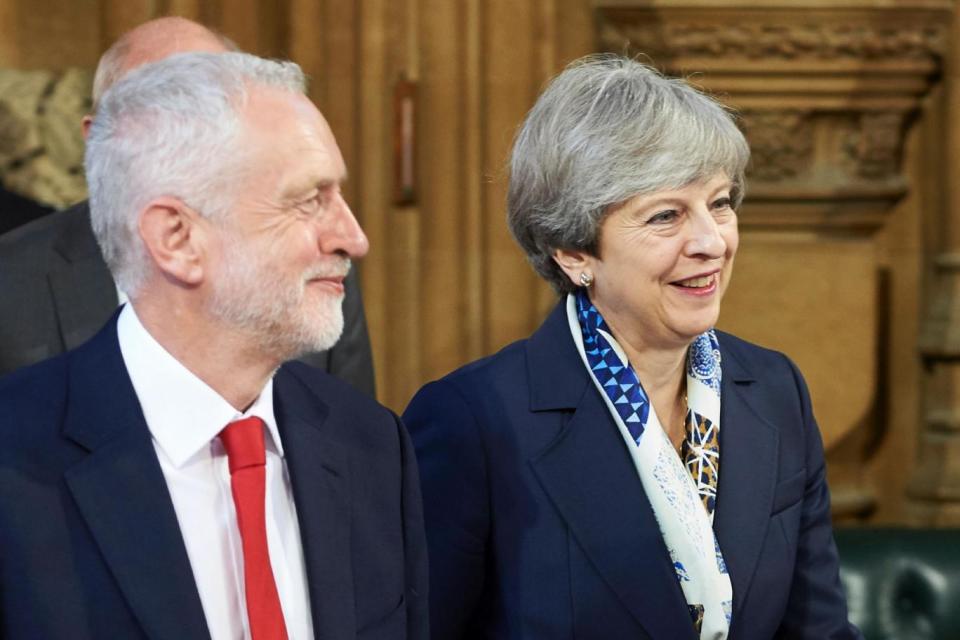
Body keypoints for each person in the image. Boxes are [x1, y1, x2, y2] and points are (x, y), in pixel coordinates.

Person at [403, 55, 860, 640]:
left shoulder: (774, 389)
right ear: (573, 252)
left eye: (720, 204)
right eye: (666, 215)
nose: (710, 242)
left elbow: (818, 629)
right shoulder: (474, 420)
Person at [0, 52, 427, 639]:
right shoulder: (15, 458)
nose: (353, 236)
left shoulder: (370, 444)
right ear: (177, 238)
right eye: (309, 200)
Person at [0, 17, 375, 395]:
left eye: (220, 110)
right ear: (96, 140)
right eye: (168, 116)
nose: (197, 140)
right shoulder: (11, 283)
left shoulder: (317, 270)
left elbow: (350, 441)